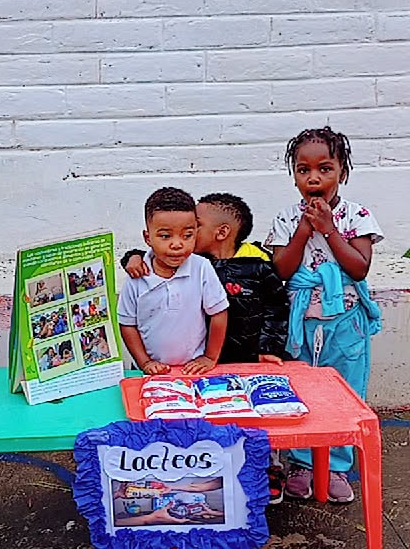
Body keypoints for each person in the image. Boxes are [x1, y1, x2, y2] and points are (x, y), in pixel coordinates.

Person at [122, 191, 290, 502]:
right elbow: (129, 317)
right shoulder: (156, 269)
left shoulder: (246, 265)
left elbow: (273, 307)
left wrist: (266, 348)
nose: (179, 241)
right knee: (180, 423)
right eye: (169, 235)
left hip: (232, 361)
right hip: (177, 367)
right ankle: (182, 475)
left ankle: (262, 468)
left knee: (241, 420)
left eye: (192, 230)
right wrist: (131, 257)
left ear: (218, 232)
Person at [266, 126, 383, 504]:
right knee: (301, 393)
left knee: (344, 393)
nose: (314, 178)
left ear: (342, 173)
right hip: (301, 323)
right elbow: (281, 270)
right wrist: (304, 230)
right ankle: (302, 465)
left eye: (325, 169)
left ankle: (335, 467)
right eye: (304, 170)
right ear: (294, 176)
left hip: (345, 323)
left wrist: (330, 230)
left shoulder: (357, 216)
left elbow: (359, 268)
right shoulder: (287, 218)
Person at [117, 186, 228, 377]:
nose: (177, 244)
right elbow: (127, 324)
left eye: (187, 235)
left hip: (194, 370)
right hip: (151, 372)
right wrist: (145, 362)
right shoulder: (137, 275)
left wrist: (210, 357)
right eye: (165, 236)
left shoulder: (201, 268)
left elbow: (219, 313)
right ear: (148, 238)